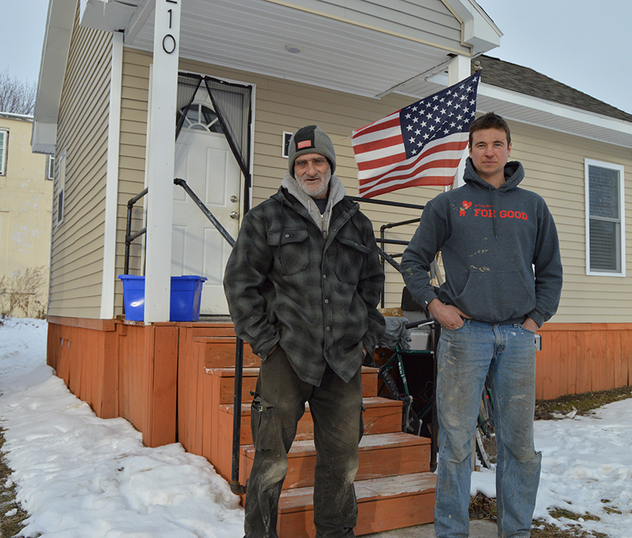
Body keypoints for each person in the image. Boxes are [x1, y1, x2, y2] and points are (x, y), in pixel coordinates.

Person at [401, 112, 563, 538]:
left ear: (509, 149)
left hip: (517, 336)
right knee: (455, 445)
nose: (489, 151)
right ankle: (451, 532)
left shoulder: (533, 207)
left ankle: (516, 531)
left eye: (497, 143)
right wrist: (436, 307)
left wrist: (535, 320)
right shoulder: (447, 205)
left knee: (518, 445)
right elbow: (414, 262)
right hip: (464, 335)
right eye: (480, 144)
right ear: (470, 151)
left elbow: (550, 271)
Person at [223, 125, 386, 538]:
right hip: (287, 357)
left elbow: (372, 288)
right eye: (302, 163)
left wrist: (366, 339)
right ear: (293, 169)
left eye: (318, 161)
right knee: (271, 459)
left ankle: (335, 532)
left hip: (344, 362)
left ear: (330, 166)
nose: (310, 170)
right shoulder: (265, 217)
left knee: (342, 460)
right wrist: (265, 341)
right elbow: (240, 284)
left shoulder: (358, 223)